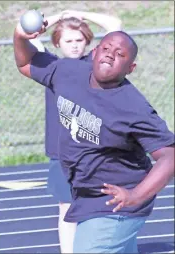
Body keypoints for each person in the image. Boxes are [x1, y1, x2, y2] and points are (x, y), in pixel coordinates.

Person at [14, 20, 175, 253]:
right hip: (85, 195)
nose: (110, 55)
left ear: (131, 68)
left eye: (120, 54)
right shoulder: (68, 72)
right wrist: (20, 36)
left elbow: (170, 155)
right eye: (107, 48)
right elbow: (27, 63)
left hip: (115, 204)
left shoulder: (133, 107)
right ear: (94, 52)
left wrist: (135, 196)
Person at [28, 10, 122, 253]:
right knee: (67, 209)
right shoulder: (48, 65)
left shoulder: (96, 61)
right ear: (57, 43)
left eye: (79, 40)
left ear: (87, 42)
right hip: (62, 153)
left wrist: (78, 14)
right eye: (68, 41)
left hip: (95, 152)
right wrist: (55, 19)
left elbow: (114, 23)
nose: (74, 45)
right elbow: (28, 35)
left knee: (100, 209)